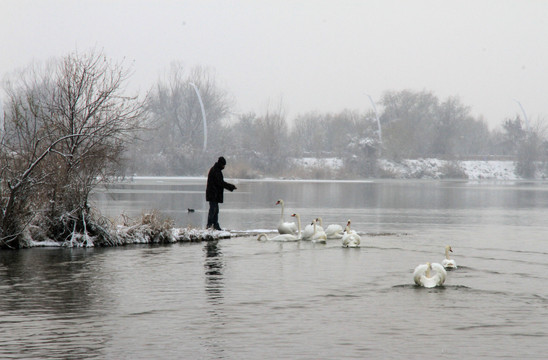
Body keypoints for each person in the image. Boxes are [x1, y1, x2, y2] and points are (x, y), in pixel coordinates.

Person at [206, 156, 237, 230]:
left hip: (214, 194)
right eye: (223, 165)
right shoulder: (215, 171)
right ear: (220, 164)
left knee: (215, 211)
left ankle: (215, 226)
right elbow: (220, 183)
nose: (224, 167)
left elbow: (220, 183)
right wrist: (231, 187)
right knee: (213, 210)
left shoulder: (216, 170)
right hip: (213, 194)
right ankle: (209, 226)